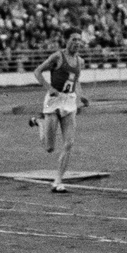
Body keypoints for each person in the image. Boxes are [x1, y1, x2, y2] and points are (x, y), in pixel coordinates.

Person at [30, 29, 89, 193]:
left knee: (69, 143)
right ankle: (40, 122)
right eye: (74, 39)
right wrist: (49, 88)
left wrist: (81, 97)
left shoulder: (80, 61)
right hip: (54, 102)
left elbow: (76, 82)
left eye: (79, 40)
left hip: (69, 102)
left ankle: (58, 181)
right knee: (49, 148)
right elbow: (37, 71)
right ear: (66, 40)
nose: (77, 42)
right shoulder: (58, 56)